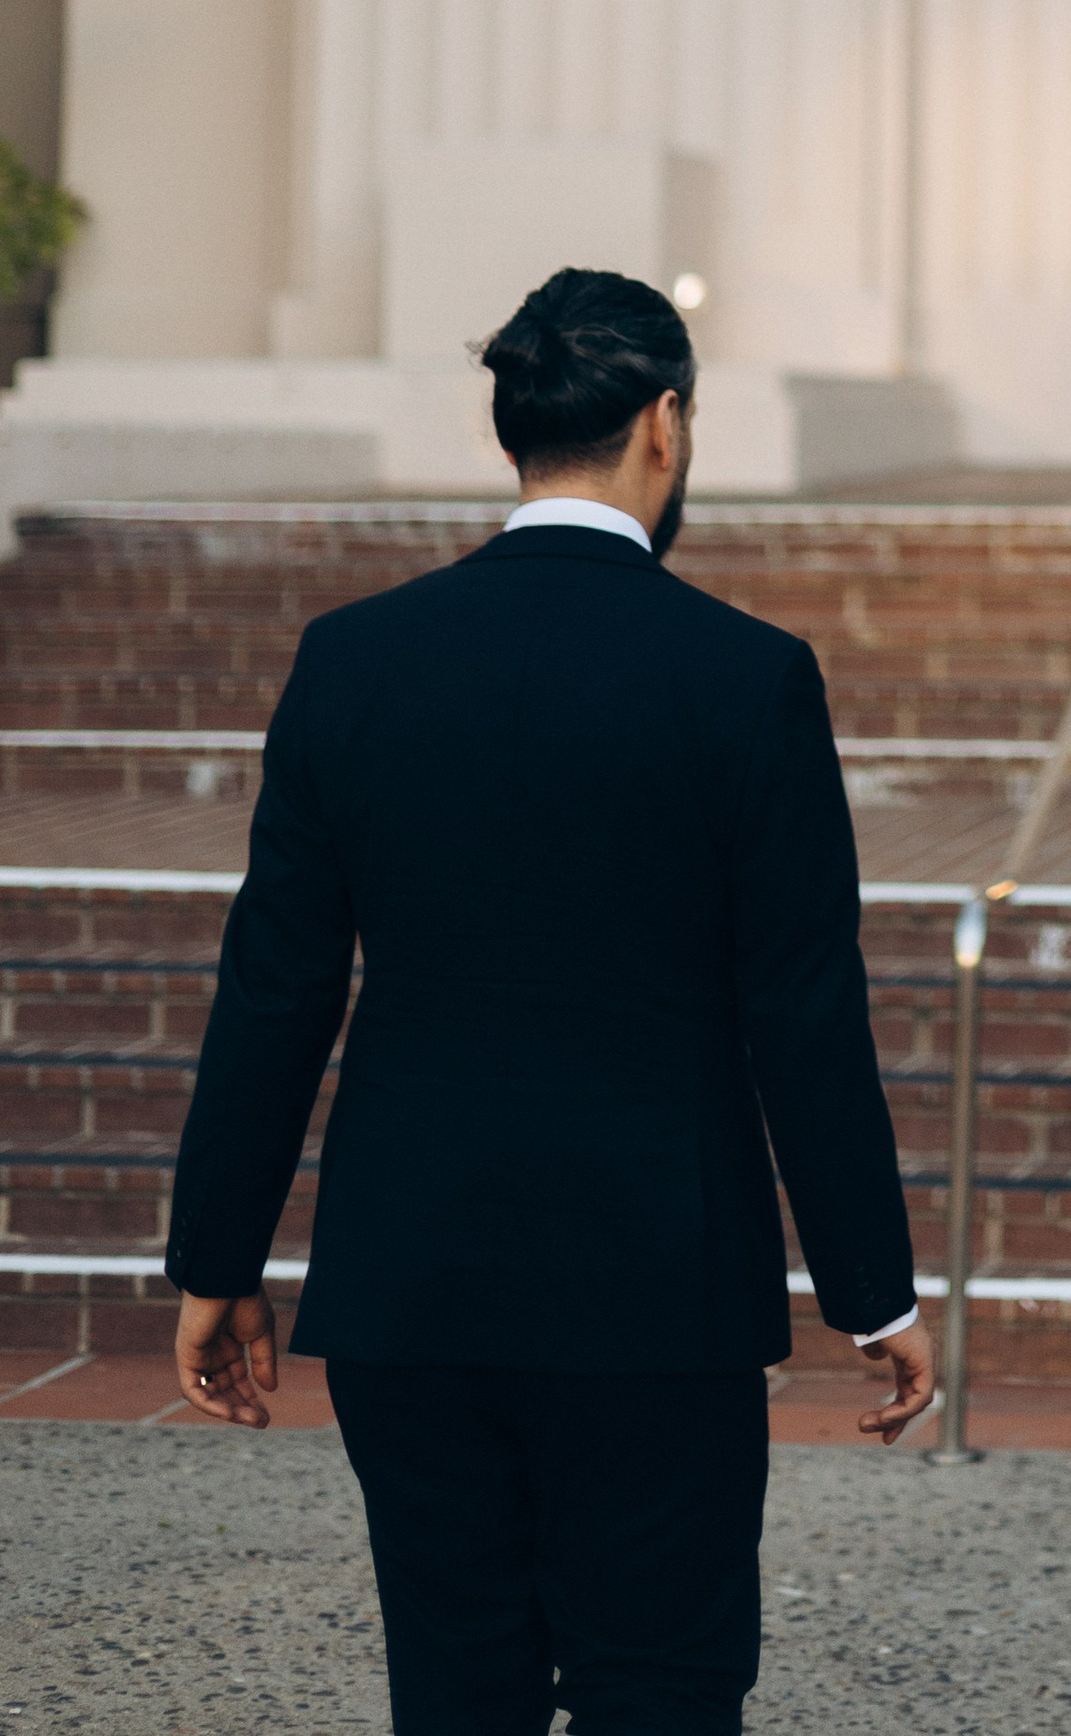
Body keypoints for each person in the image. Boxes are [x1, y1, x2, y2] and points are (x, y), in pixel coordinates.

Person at [163, 266, 931, 1735]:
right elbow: (805, 1010)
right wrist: (872, 1289)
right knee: (663, 1683)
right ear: (665, 425)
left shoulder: (354, 660)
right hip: (661, 1284)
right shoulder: (747, 677)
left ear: (514, 428)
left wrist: (218, 1253)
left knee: (456, 1684)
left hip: (411, 1273)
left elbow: (275, 985)